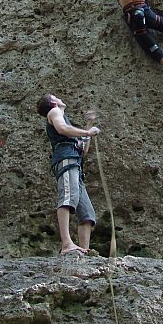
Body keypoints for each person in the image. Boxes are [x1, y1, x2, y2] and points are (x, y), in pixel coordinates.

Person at [37, 93, 101, 256]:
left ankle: (84, 251)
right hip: (66, 160)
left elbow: (83, 150)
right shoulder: (55, 112)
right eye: (55, 97)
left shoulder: (64, 118)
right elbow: (62, 129)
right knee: (67, 197)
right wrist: (87, 133)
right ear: (52, 102)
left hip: (76, 164)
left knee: (87, 213)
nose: (59, 98)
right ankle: (67, 244)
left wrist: (89, 125)